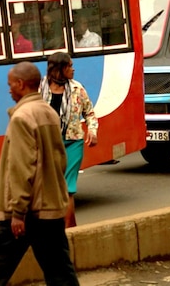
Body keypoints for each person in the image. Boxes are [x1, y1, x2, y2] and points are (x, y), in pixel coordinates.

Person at [0, 62, 79, 286]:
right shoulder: (48, 111)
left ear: (20, 84)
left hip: (27, 211)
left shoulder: (21, 118)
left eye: (10, 85)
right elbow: (52, 160)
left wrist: (18, 212)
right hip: (50, 206)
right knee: (60, 272)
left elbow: (22, 166)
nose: (8, 89)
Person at [39, 52, 98, 228]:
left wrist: (92, 131)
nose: (73, 69)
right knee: (49, 189)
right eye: (69, 66)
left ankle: (69, 230)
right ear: (59, 69)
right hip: (48, 144)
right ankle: (66, 229)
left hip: (72, 142)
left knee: (67, 188)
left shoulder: (77, 89)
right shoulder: (40, 88)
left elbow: (89, 113)